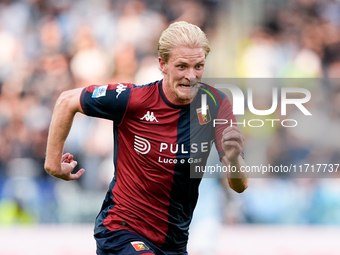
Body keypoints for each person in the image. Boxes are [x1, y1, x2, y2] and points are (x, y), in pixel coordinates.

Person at [44, 21, 248, 255]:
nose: (191, 76)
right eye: (182, 66)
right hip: (121, 230)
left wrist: (232, 160)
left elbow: (240, 185)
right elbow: (67, 101)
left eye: (198, 66)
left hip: (173, 243)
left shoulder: (216, 103)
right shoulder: (133, 99)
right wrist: (52, 164)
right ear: (163, 64)